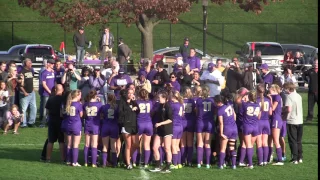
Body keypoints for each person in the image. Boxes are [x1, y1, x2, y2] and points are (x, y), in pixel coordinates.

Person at [149, 91, 173, 173]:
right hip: (159, 129)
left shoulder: (168, 107)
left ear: (165, 98)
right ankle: (158, 165)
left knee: (167, 148)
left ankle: (168, 166)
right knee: (155, 147)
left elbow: (170, 119)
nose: (158, 99)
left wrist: (160, 123)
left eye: (160, 98)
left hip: (167, 129)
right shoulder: (159, 106)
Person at [118, 89, 140, 170]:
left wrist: (135, 102)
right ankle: (128, 163)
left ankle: (126, 158)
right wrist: (130, 109)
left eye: (132, 93)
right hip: (126, 125)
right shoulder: (122, 102)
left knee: (136, 144)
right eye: (129, 93)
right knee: (128, 145)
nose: (131, 95)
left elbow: (138, 111)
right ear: (126, 94)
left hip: (134, 125)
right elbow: (120, 113)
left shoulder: (133, 102)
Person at [214, 94, 238, 169]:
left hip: (226, 129)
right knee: (232, 147)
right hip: (234, 128)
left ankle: (220, 165)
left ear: (218, 102)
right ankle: (233, 165)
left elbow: (221, 123)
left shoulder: (220, 110)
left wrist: (221, 133)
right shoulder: (230, 105)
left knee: (223, 148)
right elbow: (234, 116)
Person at [239, 90, 261, 169]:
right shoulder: (258, 105)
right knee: (251, 145)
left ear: (249, 97)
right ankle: (248, 162)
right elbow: (259, 116)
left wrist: (243, 98)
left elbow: (241, 112)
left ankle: (250, 164)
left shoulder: (245, 105)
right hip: (255, 126)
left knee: (247, 145)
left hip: (247, 126)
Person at [283, 82, 303, 164]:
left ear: (288, 89)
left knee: (292, 140)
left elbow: (289, 109)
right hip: (300, 120)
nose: (284, 90)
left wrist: (283, 111)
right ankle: (300, 157)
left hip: (292, 120)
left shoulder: (289, 97)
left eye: (285, 88)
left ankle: (294, 158)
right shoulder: (298, 95)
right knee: (299, 140)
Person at [195, 86, 214, 169]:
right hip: (209, 123)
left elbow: (196, 111)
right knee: (207, 144)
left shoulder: (199, 100)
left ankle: (199, 163)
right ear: (209, 92)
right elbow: (215, 111)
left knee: (200, 143)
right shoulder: (212, 100)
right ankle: (208, 163)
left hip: (200, 122)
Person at [45, 84, 65, 162]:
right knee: (61, 141)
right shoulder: (63, 99)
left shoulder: (51, 99)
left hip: (52, 121)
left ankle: (48, 158)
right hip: (60, 121)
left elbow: (47, 111)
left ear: (55, 90)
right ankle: (63, 159)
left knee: (50, 141)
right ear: (62, 90)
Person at [83, 90, 103, 167]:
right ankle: (94, 163)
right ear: (95, 96)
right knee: (94, 144)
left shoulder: (85, 104)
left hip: (87, 124)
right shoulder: (99, 104)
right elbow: (101, 114)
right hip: (95, 125)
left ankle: (85, 162)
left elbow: (84, 115)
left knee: (87, 144)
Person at [135, 89, 153, 167]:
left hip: (140, 123)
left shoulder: (137, 102)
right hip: (149, 123)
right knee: (147, 144)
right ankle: (146, 163)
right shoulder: (150, 102)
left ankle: (136, 161)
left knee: (136, 144)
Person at [65, 90, 83, 166]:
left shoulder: (68, 103)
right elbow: (81, 115)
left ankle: (68, 160)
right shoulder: (78, 104)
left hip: (69, 125)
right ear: (77, 95)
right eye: (80, 95)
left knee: (69, 144)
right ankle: (74, 162)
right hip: (76, 125)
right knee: (75, 144)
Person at [256, 83, 272, 166]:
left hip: (259, 122)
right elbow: (270, 112)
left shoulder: (256, 100)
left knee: (259, 143)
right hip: (266, 122)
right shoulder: (268, 100)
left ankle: (260, 161)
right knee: (265, 142)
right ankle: (265, 160)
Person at [100, 94, 119, 167]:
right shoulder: (116, 107)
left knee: (105, 146)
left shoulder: (104, 107)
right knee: (113, 146)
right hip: (114, 126)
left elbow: (101, 116)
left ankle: (104, 163)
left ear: (107, 99)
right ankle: (114, 164)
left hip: (105, 126)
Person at [268, 84, 284, 165]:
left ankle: (280, 160)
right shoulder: (275, 96)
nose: (269, 90)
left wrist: (270, 99)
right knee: (269, 139)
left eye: (270, 89)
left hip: (276, 119)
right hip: (272, 119)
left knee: (276, 140)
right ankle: (269, 156)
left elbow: (273, 108)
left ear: (274, 89)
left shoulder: (277, 97)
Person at [19, 58, 37, 128]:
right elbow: (20, 85)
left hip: (32, 93)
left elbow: (31, 80)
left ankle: (31, 122)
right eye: (30, 63)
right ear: (26, 63)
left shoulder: (31, 70)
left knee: (34, 107)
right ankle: (24, 123)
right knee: (24, 109)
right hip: (24, 93)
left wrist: (33, 89)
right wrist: (24, 92)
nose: (31, 64)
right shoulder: (22, 72)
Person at [181, 87, 196, 166]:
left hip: (182, 122)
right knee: (190, 143)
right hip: (190, 121)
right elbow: (195, 111)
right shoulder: (192, 101)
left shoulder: (181, 101)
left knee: (183, 143)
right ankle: (189, 161)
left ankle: (183, 160)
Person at [39, 58, 56, 128]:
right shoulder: (44, 73)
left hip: (52, 93)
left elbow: (54, 82)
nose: (53, 65)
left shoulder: (53, 72)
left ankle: (50, 121)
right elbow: (44, 84)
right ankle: (43, 122)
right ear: (48, 64)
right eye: (52, 64)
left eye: (53, 64)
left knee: (52, 108)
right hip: (46, 94)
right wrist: (49, 91)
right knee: (45, 109)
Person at [169, 91, 184, 169]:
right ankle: (179, 163)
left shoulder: (173, 105)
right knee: (177, 146)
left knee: (173, 145)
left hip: (174, 126)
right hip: (180, 126)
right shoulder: (181, 104)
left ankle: (174, 164)